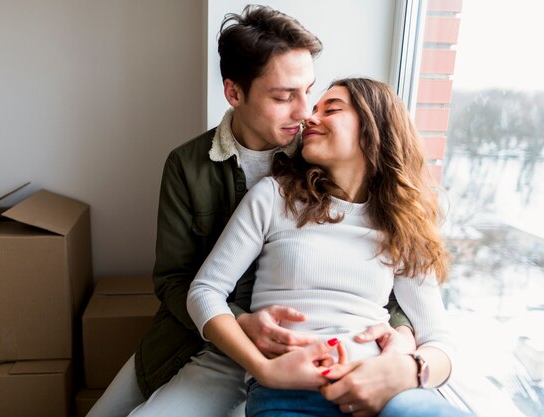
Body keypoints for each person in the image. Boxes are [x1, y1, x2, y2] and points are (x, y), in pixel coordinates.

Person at [88, 6, 414, 417]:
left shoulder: (325, 156)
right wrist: (242, 322)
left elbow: (389, 266)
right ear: (234, 93)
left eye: (308, 90)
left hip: (299, 348)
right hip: (204, 336)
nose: (304, 112)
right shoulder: (188, 166)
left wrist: (402, 339)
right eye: (283, 97)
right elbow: (175, 281)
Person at [187, 78, 475, 417]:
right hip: (288, 393)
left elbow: (440, 341)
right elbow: (205, 291)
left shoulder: (401, 223)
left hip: (385, 392)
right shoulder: (273, 197)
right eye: (314, 109)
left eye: (331, 109)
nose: (309, 118)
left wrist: (407, 370)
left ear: (373, 128)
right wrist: (265, 370)